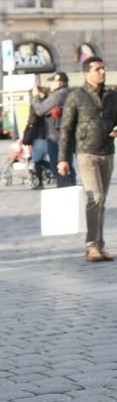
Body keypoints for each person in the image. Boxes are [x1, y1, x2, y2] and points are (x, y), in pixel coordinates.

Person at [58, 56, 117, 262]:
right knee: (96, 197)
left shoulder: (112, 95)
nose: (102, 72)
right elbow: (65, 128)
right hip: (86, 152)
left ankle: (99, 245)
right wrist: (62, 159)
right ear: (87, 73)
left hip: (107, 151)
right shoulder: (77, 96)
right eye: (98, 69)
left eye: (103, 68)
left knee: (101, 201)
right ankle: (91, 245)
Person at [32, 71, 74, 186]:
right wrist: (44, 97)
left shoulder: (58, 95)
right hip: (67, 136)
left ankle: (65, 190)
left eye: (52, 82)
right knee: (68, 166)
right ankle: (71, 188)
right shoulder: (69, 93)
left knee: (59, 167)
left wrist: (35, 97)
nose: (50, 84)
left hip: (55, 136)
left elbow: (40, 110)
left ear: (59, 82)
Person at [26, 85, 51, 190]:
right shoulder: (49, 102)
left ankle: (40, 182)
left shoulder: (38, 105)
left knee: (37, 160)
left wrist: (29, 120)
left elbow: (34, 119)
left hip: (39, 135)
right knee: (39, 159)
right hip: (47, 135)